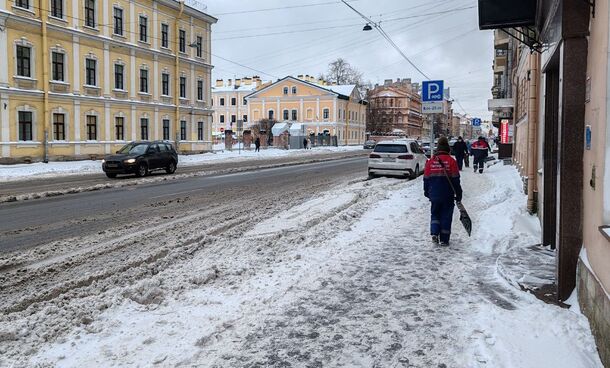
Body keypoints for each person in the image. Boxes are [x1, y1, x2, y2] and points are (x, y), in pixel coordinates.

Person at [424, 137, 463, 247]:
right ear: (448, 148)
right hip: (448, 194)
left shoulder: (431, 161)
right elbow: (456, 180)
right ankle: (444, 239)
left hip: (434, 194)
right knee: (446, 215)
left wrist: (426, 191)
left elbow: (426, 178)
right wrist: (459, 193)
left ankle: (434, 233)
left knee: (435, 213)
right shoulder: (452, 161)